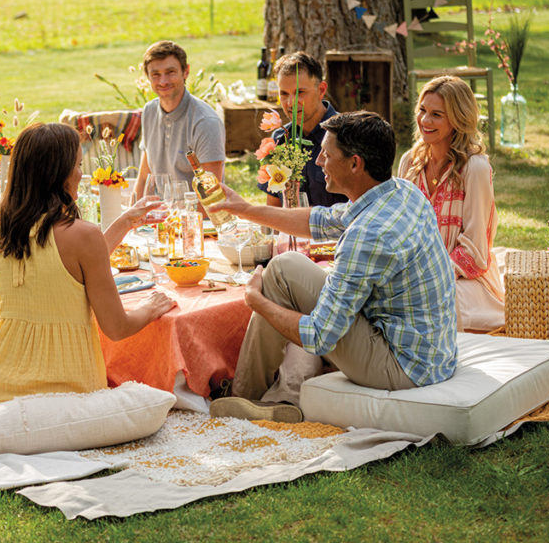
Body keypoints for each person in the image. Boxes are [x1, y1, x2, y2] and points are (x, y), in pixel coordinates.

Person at [0, 123, 177, 430]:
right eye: (78, 165)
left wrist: (124, 222)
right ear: (59, 174)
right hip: (68, 376)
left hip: (4, 364)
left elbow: (65, 268)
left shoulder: (8, 229)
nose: (81, 173)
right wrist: (149, 308)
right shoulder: (83, 236)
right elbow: (117, 328)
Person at [206, 111, 458, 423]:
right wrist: (245, 209)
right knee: (283, 268)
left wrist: (256, 300)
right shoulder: (401, 192)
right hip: (431, 352)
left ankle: (243, 398)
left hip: (403, 367)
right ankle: (251, 394)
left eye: (326, 154)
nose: (319, 161)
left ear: (355, 164)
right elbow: (321, 220)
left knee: (278, 280)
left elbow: (319, 336)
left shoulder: (368, 234)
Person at [397, 75, 504, 332]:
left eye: (436, 115)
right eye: (422, 110)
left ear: (458, 120)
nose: (425, 120)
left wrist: (429, 276)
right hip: (413, 277)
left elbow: (475, 250)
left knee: (438, 298)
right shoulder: (409, 163)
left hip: (465, 281)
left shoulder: (475, 168)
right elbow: (399, 230)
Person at [134, 41, 226, 201]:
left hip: (198, 214)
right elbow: (143, 178)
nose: (163, 81)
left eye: (170, 72)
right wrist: (133, 213)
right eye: (155, 74)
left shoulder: (205, 122)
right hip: (162, 212)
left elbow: (211, 198)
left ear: (186, 71)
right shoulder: (149, 112)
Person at [257, 51, 347, 208]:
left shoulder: (347, 135)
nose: (291, 103)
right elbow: (273, 209)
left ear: (321, 90)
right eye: (284, 94)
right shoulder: (279, 139)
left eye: (300, 92)